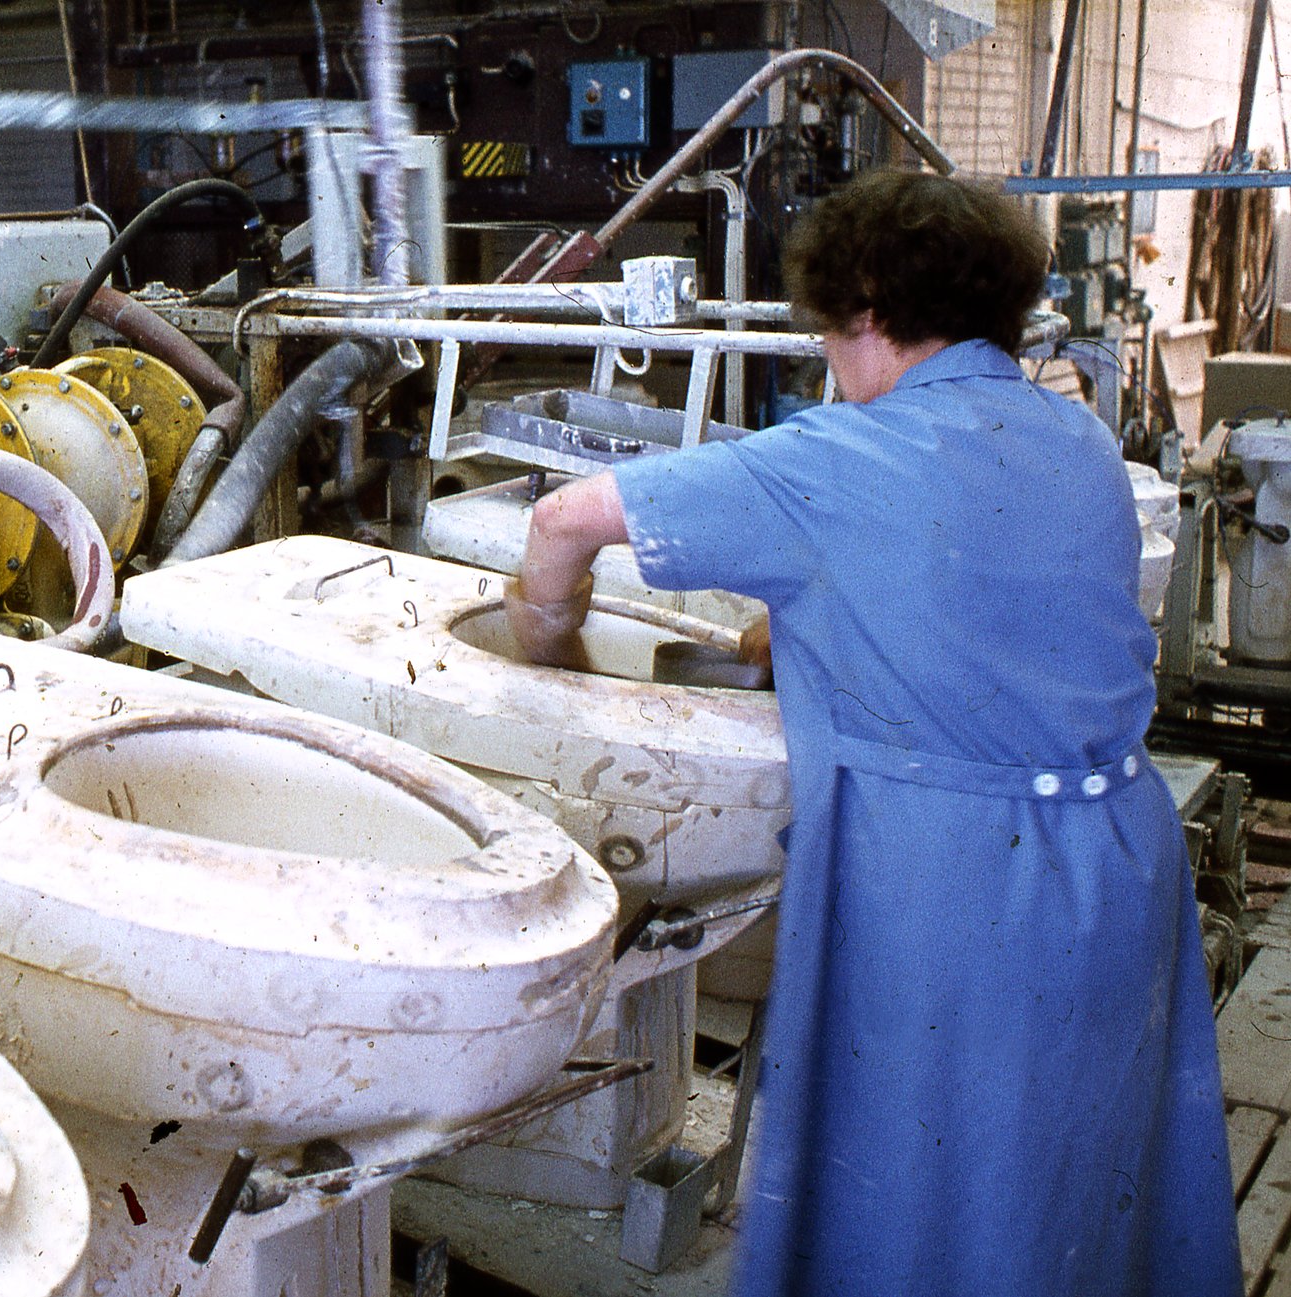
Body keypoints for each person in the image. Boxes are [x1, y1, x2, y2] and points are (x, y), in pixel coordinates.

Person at [508, 170, 1240, 1296]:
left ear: (859, 306)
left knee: (918, 1209)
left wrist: (543, 641)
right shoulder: (1077, 437)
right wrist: (797, 625)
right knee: (1067, 1194)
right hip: (1114, 871)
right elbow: (971, 600)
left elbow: (563, 519)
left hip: (951, 891)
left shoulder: (831, 461)